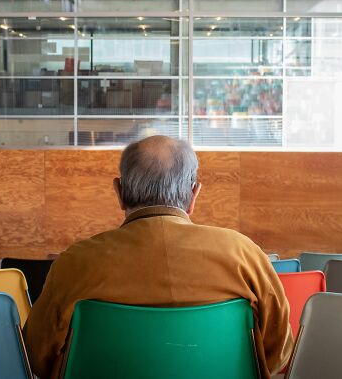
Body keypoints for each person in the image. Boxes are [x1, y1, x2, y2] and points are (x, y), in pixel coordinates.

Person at [23, 135, 293, 378]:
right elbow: (276, 353)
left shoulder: (75, 262)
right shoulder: (244, 254)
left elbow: (37, 357)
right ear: (193, 194)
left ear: (119, 192)